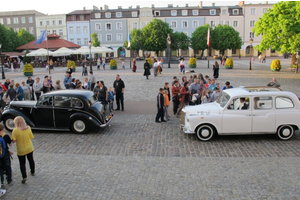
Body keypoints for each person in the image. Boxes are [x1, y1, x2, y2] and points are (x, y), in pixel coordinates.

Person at [12, 116, 35, 184]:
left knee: (22, 163)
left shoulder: (15, 130)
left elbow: (14, 140)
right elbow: (31, 137)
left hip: (21, 149)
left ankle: (24, 176)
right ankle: (32, 171)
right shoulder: (28, 128)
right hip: (29, 147)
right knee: (31, 159)